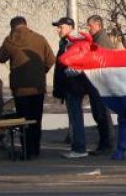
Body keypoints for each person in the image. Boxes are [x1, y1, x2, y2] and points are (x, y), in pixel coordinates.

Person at [0, 16, 54, 159]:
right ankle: (35, 150)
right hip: (37, 87)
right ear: (26, 25)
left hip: (20, 88)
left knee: (23, 120)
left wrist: (8, 40)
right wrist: (41, 71)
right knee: (36, 119)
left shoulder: (10, 41)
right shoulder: (40, 39)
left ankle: (26, 151)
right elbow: (51, 59)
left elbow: (0, 57)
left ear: (12, 27)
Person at [53, 17, 90, 159]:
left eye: (60, 27)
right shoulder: (65, 43)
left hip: (74, 86)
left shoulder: (74, 43)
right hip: (70, 86)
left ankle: (80, 149)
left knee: (76, 117)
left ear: (69, 27)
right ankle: (77, 147)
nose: (58, 30)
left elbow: (80, 62)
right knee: (74, 117)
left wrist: (73, 71)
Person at [84, 15, 114, 155]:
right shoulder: (97, 39)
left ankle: (106, 145)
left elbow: (97, 61)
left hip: (100, 84)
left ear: (99, 25)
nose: (88, 28)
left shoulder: (101, 41)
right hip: (98, 83)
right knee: (99, 114)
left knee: (101, 114)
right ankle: (104, 144)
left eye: (90, 25)